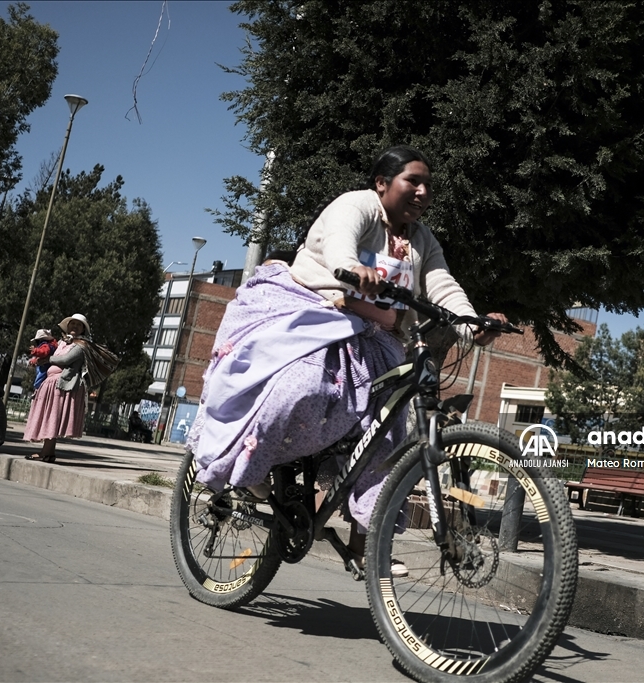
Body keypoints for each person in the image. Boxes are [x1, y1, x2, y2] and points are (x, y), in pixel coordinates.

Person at [187, 145, 506, 568]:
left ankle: (366, 543)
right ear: (382, 183)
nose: (423, 191)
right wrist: (353, 268)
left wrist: (472, 322)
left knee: (390, 430)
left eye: (428, 184)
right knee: (299, 387)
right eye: (413, 180)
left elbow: (442, 284)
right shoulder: (355, 205)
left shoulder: (422, 240)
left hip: (377, 339)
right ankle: (254, 474)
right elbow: (340, 242)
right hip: (318, 315)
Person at [22, 314, 90, 463]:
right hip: (52, 384)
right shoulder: (62, 343)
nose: (74, 327)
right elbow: (51, 354)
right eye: (72, 324)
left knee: (53, 418)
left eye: (78, 325)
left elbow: (65, 360)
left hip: (63, 385)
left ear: (83, 329)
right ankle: (48, 453)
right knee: (50, 418)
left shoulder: (81, 345)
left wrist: (48, 359)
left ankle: (46, 453)